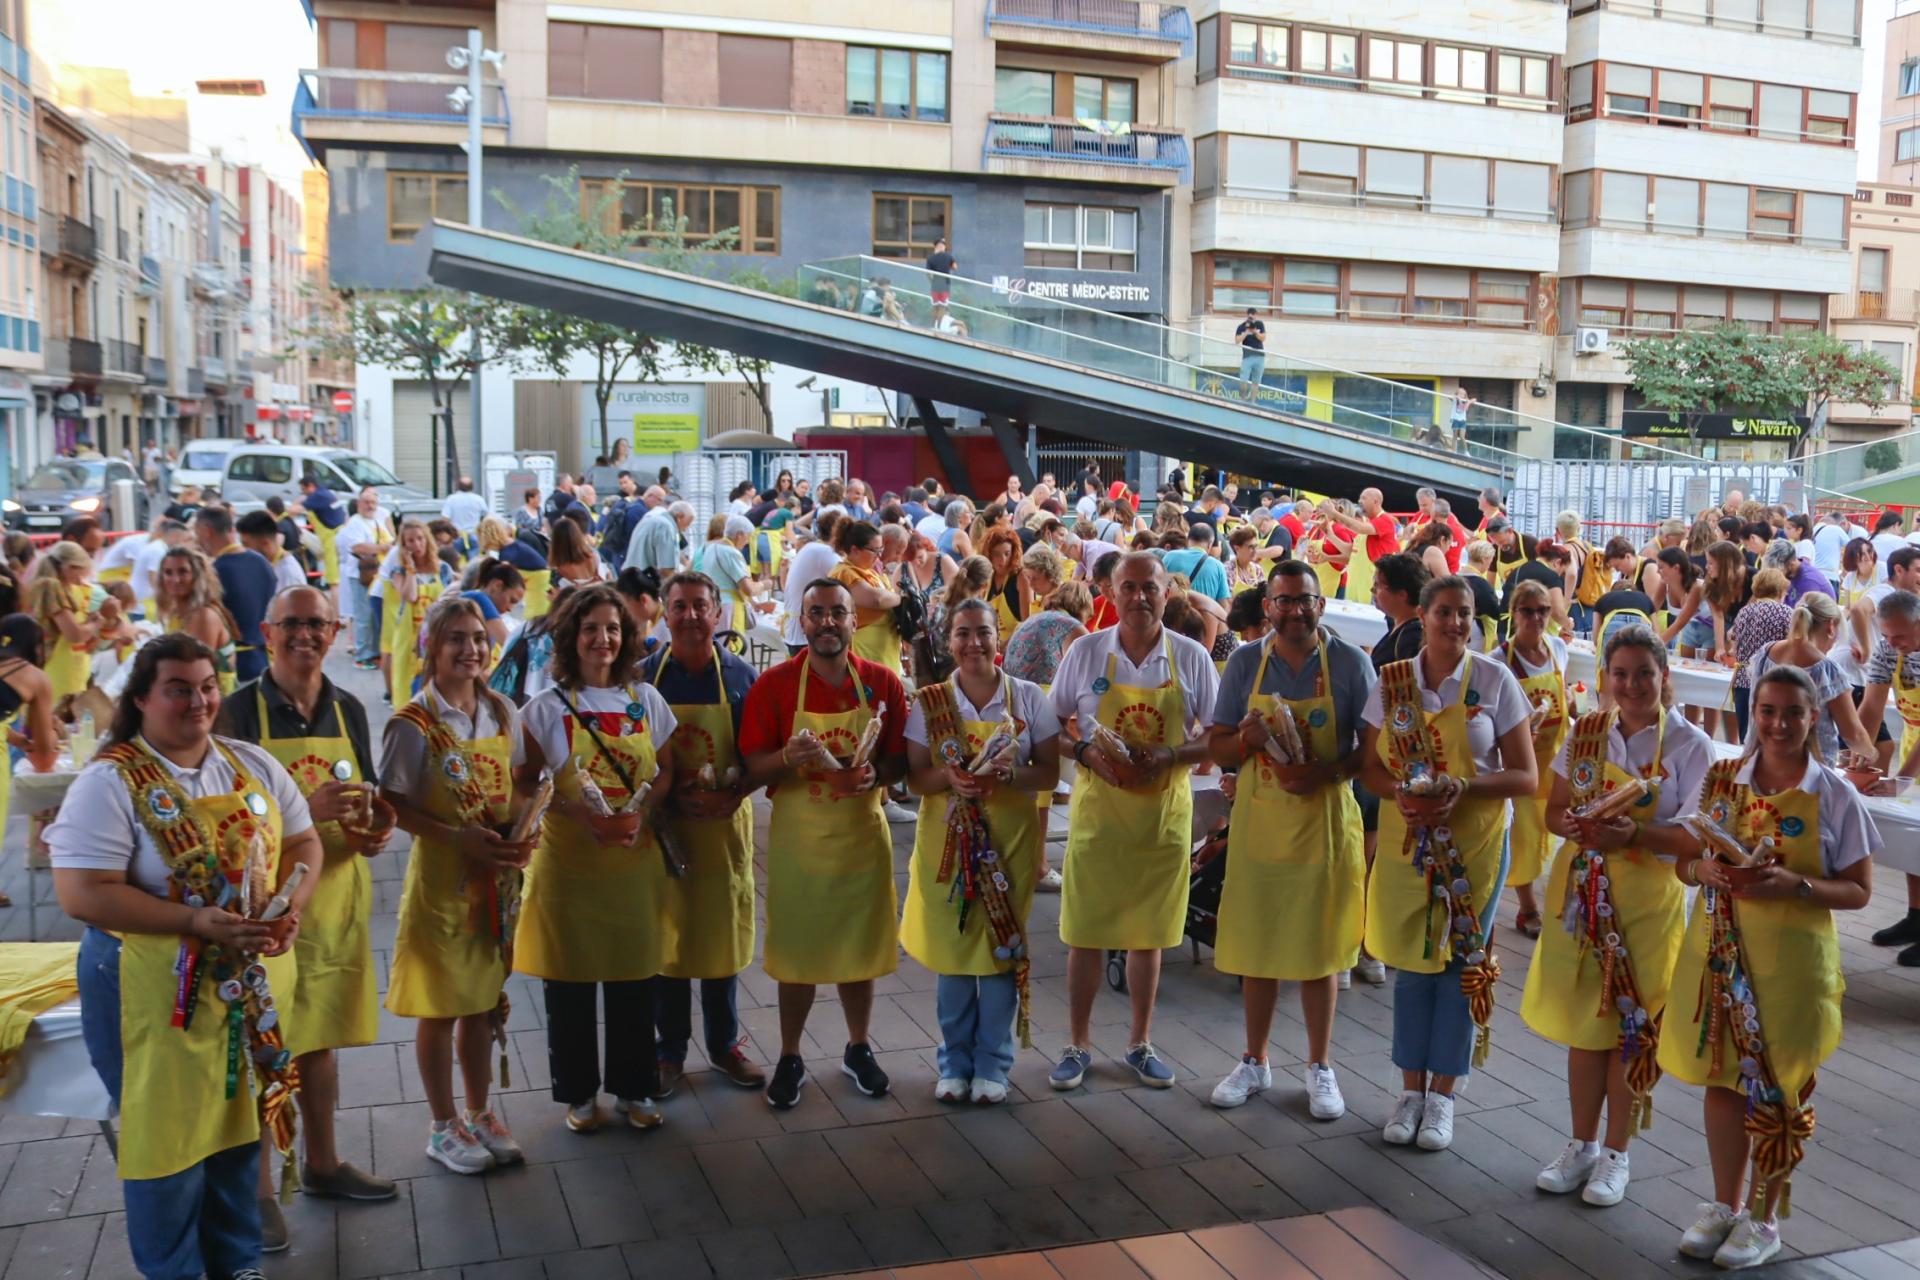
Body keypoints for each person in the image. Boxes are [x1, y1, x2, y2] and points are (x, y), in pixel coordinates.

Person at [51, 633, 323, 1280]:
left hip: (240, 986)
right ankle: (176, 1271)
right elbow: (82, 894)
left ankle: (236, 1264)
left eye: (206, 686)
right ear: (141, 698)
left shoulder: (247, 762)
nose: (198, 700)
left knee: (234, 1130)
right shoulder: (109, 780)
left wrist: (292, 906)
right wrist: (192, 921)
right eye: (178, 688)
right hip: (146, 988)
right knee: (167, 1141)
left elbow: (305, 841)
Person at [1659, 665, 1876, 1268]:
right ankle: (1724, 1206)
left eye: (1793, 713)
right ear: (1752, 713)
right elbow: (1686, 861)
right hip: (1720, 956)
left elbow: (1858, 890)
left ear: (1814, 718)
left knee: (1779, 1089)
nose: (1779, 724)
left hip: (1791, 971)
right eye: (1768, 711)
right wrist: (1700, 870)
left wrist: (1793, 884)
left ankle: (1763, 1217)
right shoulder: (1722, 779)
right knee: (1722, 1082)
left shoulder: (1834, 794)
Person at [216, 587, 400, 1246]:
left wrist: (376, 828)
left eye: (315, 624)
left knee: (319, 1043)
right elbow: (222, 817)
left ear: (335, 631)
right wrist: (302, 814)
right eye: (290, 624)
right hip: (267, 915)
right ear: (267, 633)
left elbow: (370, 792)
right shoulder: (236, 711)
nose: (304, 635)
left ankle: (322, 1163)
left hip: (337, 904)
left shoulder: (348, 705)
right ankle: (258, 1191)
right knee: (262, 1051)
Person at [1521, 625, 1713, 1208]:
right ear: (1605, 678)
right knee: (1587, 1026)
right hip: (1584, 899)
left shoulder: (1689, 745)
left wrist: (1636, 833)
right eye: (1621, 674)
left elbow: (1696, 838)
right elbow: (1554, 811)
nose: (1631, 685)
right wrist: (1576, 829)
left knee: (1632, 1028)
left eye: (1644, 674)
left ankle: (1616, 1154)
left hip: (1648, 904)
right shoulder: (1586, 734)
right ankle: (1580, 1144)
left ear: (1665, 678)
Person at [1358, 575, 1536, 1152]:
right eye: (1444, 612)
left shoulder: (1494, 679)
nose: (1455, 624)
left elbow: (1525, 776)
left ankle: (1444, 1096)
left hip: (1476, 848)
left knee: (1464, 966)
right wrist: (1400, 796)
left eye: (1464, 614)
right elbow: (1368, 768)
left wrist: (1463, 786)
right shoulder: (1393, 683)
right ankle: (1410, 1090)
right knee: (1413, 965)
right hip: (1410, 842)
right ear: (1423, 616)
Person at [1206, 561, 1373, 1115]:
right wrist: (1247, 741)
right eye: (1284, 601)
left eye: (1305, 600)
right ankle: (1254, 1060)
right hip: (1259, 823)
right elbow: (1218, 746)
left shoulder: (1350, 663)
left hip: (1323, 821)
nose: (1295, 610)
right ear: (1267, 608)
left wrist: (1322, 772)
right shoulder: (1246, 663)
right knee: (1258, 947)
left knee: (1320, 950)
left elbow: (1369, 754)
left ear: (1320, 605)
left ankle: (1320, 1066)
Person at [1048, 554, 1219, 1091]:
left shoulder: (1190, 657)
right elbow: (1046, 727)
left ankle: (1139, 1044)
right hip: (1100, 815)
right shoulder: (1086, 651)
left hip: (1162, 820)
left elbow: (1215, 737)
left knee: (1149, 939)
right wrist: (1083, 751)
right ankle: (1077, 1044)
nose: (1140, 597)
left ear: (1168, 594)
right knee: (1085, 934)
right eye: (1129, 588)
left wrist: (1171, 756)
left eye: (1150, 588)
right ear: (1110, 592)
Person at [739, 578, 909, 1109]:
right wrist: (787, 759)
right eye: (817, 613)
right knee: (798, 955)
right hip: (800, 845)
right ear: (801, 621)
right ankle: (790, 1055)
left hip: (861, 838)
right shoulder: (774, 686)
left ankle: (858, 1047)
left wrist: (875, 774)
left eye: (838, 612)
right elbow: (751, 766)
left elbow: (901, 761)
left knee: (858, 951)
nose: (828, 623)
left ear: (854, 621)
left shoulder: (883, 684)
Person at [512, 585, 676, 1134]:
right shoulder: (542, 709)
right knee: (570, 983)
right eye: (590, 629)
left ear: (626, 637)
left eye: (612, 628)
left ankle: (635, 1087)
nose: (601, 639)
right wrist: (574, 813)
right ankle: (578, 1093)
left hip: (634, 867)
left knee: (635, 980)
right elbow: (522, 785)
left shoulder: (646, 701)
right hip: (568, 870)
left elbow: (667, 770)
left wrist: (640, 811)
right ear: (570, 637)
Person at [381, 598, 536, 1175]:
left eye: (478, 638)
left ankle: (479, 1111)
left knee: (480, 1002)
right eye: (456, 639)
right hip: (444, 883)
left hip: (496, 880)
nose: (471, 649)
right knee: (440, 1005)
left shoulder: (501, 710)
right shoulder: (411, 723)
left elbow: (519, 785)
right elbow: (393, 805)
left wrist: (526, 829)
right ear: (431, 647)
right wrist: (456, 837)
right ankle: (442, 1124)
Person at [903, 599, 1061, 1104]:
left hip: (1007, 848)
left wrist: (1009, 773)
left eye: (984, 632)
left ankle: (993, 1065)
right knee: (952, 958)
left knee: (1000, 953)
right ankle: (953, 1063)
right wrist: (948, 778)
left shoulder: (1028, 698)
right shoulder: (929, 702)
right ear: (949, 641)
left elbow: (1050, 773)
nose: (974, 643)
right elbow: (916, 779)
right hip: (945, 849)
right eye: (963, 633)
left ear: (1001, 638)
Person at [642, 574, 765, 1094]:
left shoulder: (740, 677)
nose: (690, 616)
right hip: (662, 832)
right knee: (668, 943)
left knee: (720, 940)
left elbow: (760, 755)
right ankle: (668, 1052)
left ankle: (723, 1046)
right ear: (664, 616)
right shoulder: (643, 680)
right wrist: (663, 797)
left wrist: (736, 793)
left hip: (721, 833)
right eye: (680, 607)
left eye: (700, 606)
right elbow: (631, 761)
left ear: (717, 614)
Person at [1501, 579, 1571, 940]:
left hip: (1558, 756)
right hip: (1524, 758)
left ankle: (1556, 898)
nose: (1536, 618)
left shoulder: (1558, 648)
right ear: (1514, 613)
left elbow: (1565, 696)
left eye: (1543, 610)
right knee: (1525, 833)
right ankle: (1527, 907)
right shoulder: (1500, 659)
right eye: (1527, 610)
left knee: (1555, 828)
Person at [1857, 589, 1920, 964]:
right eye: (1887, 636)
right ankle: (1916, 917)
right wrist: (1859, 756)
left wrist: (1903, 777)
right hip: (1914, 735)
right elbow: (1872, 706)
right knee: (1916, 834)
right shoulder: (1887, 647)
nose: (1892, 645)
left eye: (1900, 637)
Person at [1750, 592, 1876, 765]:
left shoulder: (1765, 654)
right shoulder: (1827, 670)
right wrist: (1873, 755)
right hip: (1810, 772)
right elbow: (1853, 734)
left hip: (1760, 761)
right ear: (1831, 626)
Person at [194, 506, 276, 687]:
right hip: (264, 661)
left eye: (196, 533)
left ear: (206, 531)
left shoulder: (213, 572)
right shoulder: (263, 563)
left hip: (231, 669)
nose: (196, 540)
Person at [26, 541, 112, 702]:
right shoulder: (52, 586)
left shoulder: (58, 586)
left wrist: (89, 624)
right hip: (59, 670)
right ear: (69, 567)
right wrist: (95, 624)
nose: (80, 581)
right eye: (79, 574)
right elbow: (74, 634)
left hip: (69, 668)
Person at [382, 520, 456, 707]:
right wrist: (410, 569)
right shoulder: (399, 571)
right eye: (411, 541)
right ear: (404, 545)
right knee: (406, 683)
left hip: (437, 631)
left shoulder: (443, 569)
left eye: (420, 539)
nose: (417, 545)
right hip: (408, 635)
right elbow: (410, 596)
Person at [155, 546, 240, 695]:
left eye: (183, 571)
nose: (175, 579)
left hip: (215, 700)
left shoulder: (203, 616)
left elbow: (196, 671)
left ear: (197, 576)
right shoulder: (176, 614)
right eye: (168, 573)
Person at [828, 519, 904, 674]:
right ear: (855, 549)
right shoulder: (844, 572)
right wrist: (902, 598)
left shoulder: (868, 571)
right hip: (864, 656)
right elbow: (877, 599)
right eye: (875, 551)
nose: (879, 556)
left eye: (881, 550)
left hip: (884, 655)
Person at [1730, 569, 1794, 740]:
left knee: (1746, 737)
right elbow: (1793, 646)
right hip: (1772, 681)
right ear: (1780, 590)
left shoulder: (1744, 611)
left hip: (1743, 679)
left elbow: (1735, 646)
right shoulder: (1785, 613)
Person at [341, 488, 396, 670]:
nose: (370, 506)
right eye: (366, 502)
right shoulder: (355, 523)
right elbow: (357, 547)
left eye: (373, 503)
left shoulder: (377, 521)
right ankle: (363, 655)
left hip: (378, 575)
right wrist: (382, 548)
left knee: (375, 616)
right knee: (363, 616)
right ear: (358, 505)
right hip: (361, 575)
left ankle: (374, 652)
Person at [692, 514, 769, 635]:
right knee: (730, 648)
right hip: (728, 609)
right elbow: (748, 589)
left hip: (711, 604)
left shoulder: (711, 548)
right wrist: (764, 585)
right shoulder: (731, 552)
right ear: (739, 535)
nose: (748, 541)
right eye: (748, 537)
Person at [781, 510, 844, 657]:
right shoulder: (826, 552)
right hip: (806, 633)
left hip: (798, 630)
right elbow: (847, 586)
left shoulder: (813, 548)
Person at [462, 559, 527, 657]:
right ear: (497, 585)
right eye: (511, 600)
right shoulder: (479, 598)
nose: (510, 608)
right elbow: (510, 644)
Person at [296, 475, 347, 595]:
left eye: (303, 490)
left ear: (311, 486)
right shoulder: (327, 494)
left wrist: (286, 510)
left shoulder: (316, 497)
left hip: (330, 541)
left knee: (334, 583)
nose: (303, 493)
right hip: (335, 539)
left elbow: (296, 510)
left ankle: (336, 613)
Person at [236, 510, 306, 595]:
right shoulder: (266, 564)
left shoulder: (288, 574)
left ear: (265, 544)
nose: (243, 550)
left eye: (246, 544)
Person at [627, 500, 694, 578]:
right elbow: (666, 569)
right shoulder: (667, 527)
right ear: (679, 516)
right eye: (688, 524)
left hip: (631, 577)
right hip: (644, 581)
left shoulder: (652, 519)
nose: (685, 530)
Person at [1234, 308, 1266, 396]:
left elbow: (1263, 338)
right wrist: (1246, 331)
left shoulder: (1259, 324)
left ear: (1256, 315)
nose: (1251, 316)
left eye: (1253, 314)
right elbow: (1237, 340)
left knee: (1256, 382)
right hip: (1247, 356)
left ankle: (1253, 402)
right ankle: (1242, 400)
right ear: (1247, 315)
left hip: (1260, 356)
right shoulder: (1241, 326)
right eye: (1249, 314)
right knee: (1243, 380)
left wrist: (1255, 332)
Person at [924, 237, 956, 320]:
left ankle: (934, 325)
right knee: (942, 306)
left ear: (936, 247)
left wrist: (932, 281)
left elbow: (928, 273)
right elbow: (955, 267)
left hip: (935, 284)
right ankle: (939, 326)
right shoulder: (948, 256)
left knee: (935, 306)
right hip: (945, 284)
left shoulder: (931, 258)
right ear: (943, 246)